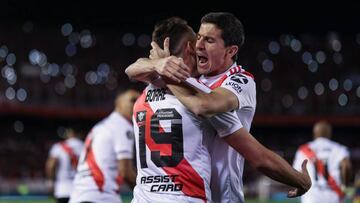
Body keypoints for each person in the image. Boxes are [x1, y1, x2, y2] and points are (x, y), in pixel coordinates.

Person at [127, 16, 311, 203]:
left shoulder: (238, 80)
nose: (198, 45)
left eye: (209, 40)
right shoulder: (191, 83)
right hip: (193, 194)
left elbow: (204, 105)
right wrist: (158, 65)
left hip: (223, 196)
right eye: (198, 37)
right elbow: (132, 69)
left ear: (230, 50)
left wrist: (162, 69)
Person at [69, 88, 140, 203]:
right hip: (99, 195)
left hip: (79, 195)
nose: (136, 104)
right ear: (118, 102)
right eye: (132, 100)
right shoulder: (122, 125)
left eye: (139, 100)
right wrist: (144, 191)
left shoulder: (103, 125)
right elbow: (125, 171)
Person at [293, 120, 352, 203]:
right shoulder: (339, 149)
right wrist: (345, 185)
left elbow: (296, 173)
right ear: (329, 133)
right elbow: (346, 166)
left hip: (311, 195)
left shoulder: (303, 150)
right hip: (333, 195)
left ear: (314, 133)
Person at [46, 128, 84, 203]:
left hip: (62, 189)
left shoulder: (58, 147)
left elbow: (50, 165)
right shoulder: (84, 146)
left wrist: (50, 182)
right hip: (80, 189)